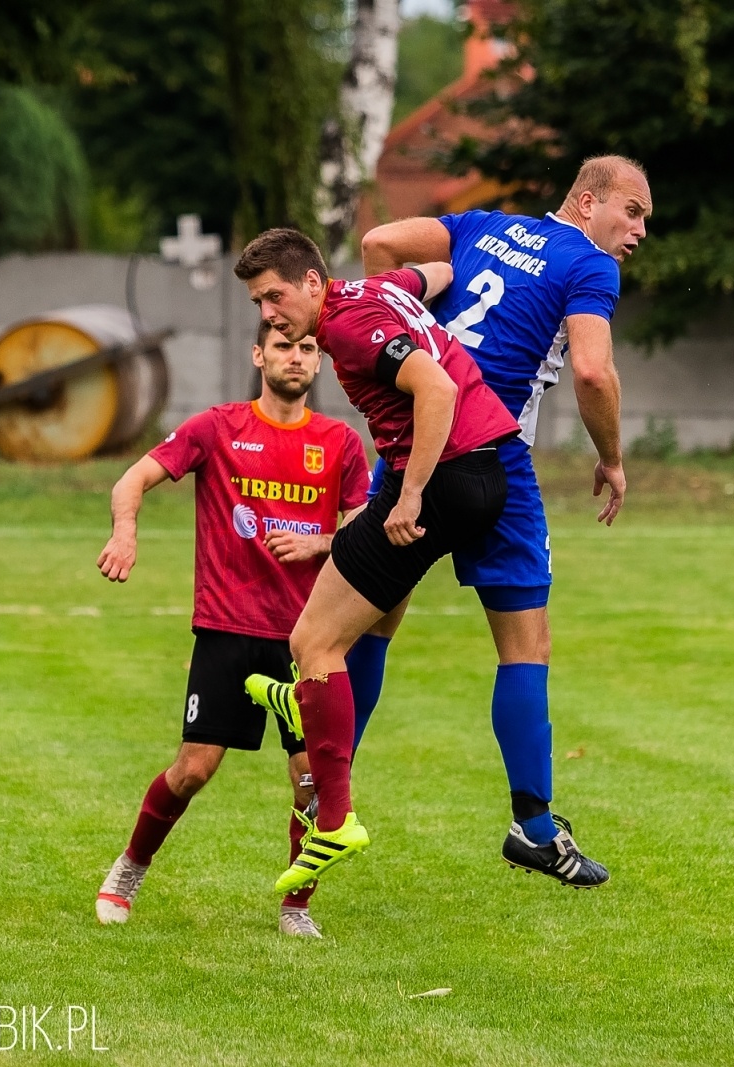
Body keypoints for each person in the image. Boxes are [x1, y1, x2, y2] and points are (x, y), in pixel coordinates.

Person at [249, 155, 652, 887]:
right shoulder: (590, 265)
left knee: (367, 627)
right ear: (587, 203)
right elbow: (593, 372)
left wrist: (418, 334)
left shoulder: (482, 226)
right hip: (491, 455)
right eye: (633, 211)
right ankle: (533, 827)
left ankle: (324, 788)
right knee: (524, 645)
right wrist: (613, 458)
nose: (640, 230)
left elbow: (377, 247)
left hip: (411, 454)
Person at [233, 227, 520, 895]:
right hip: (469, 473)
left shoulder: (355, 322)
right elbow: (436, 275)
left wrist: (414, 492)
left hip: (441, 476)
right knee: (373, 622)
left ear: (311, 282)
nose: (270, 312)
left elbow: (439, 391)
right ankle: (311, 701)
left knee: (313, 639)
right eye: (257, 304)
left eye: (274, 295)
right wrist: (447, 280)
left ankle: (335, 819)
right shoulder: (377, 289)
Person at [94, 323, 370, 939]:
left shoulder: (341, 443)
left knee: (311, 784)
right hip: (228, 627)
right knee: (193, 768)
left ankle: (296, 907)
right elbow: (130, 479)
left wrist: (319, 541)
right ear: (259, 355)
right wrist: (125, 532)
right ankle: (129, 868)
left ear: (318, 363)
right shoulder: (218, 428)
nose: (294, 358)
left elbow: (363, 536)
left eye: (305, 349)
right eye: (282, 347)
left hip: (309, 638)